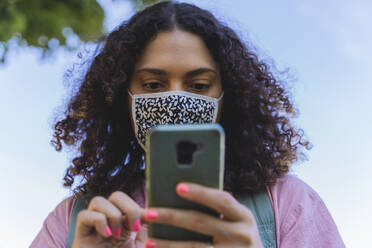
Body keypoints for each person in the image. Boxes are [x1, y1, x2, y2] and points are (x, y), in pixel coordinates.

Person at [30, 1, 345, 248]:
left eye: (198, 86)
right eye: (153, 85)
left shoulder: (289, 205)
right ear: (120, 97)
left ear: (227, 96)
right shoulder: (74, 221)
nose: (176, 100)